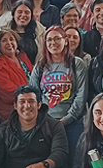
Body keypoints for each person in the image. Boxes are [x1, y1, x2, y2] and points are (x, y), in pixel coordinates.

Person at [28, 26, 89, 160]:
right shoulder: (41, 65)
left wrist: (67, 119)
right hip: (46, 123)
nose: (53, 43)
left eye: (57, 38)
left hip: (72, 123)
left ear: (65, 41)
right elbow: (33, 93)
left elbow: (81, 95)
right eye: (49, 40)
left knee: (74, 161)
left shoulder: (77, 64)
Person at [0, 29, 33, 120]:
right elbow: (7, 91)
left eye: (11, 39)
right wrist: (31, 96)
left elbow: (34, 77)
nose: (9, 43)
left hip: (29, 107)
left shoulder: (22, 57)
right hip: (10, 114)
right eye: (4, 40)